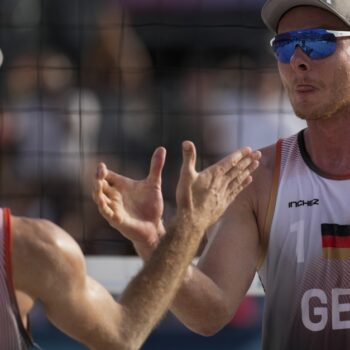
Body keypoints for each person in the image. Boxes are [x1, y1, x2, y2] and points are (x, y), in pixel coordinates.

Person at [93, 1, 350, 349]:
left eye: (318, 42)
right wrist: (153, 241)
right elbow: (209, 313)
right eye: (285, 45)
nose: (297, 61)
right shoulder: (257, 179)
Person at [1, 141, 260, 350]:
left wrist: (154, 238)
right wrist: (190, 222)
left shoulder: (29, 246)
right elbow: (124, 336)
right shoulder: (32, 246)